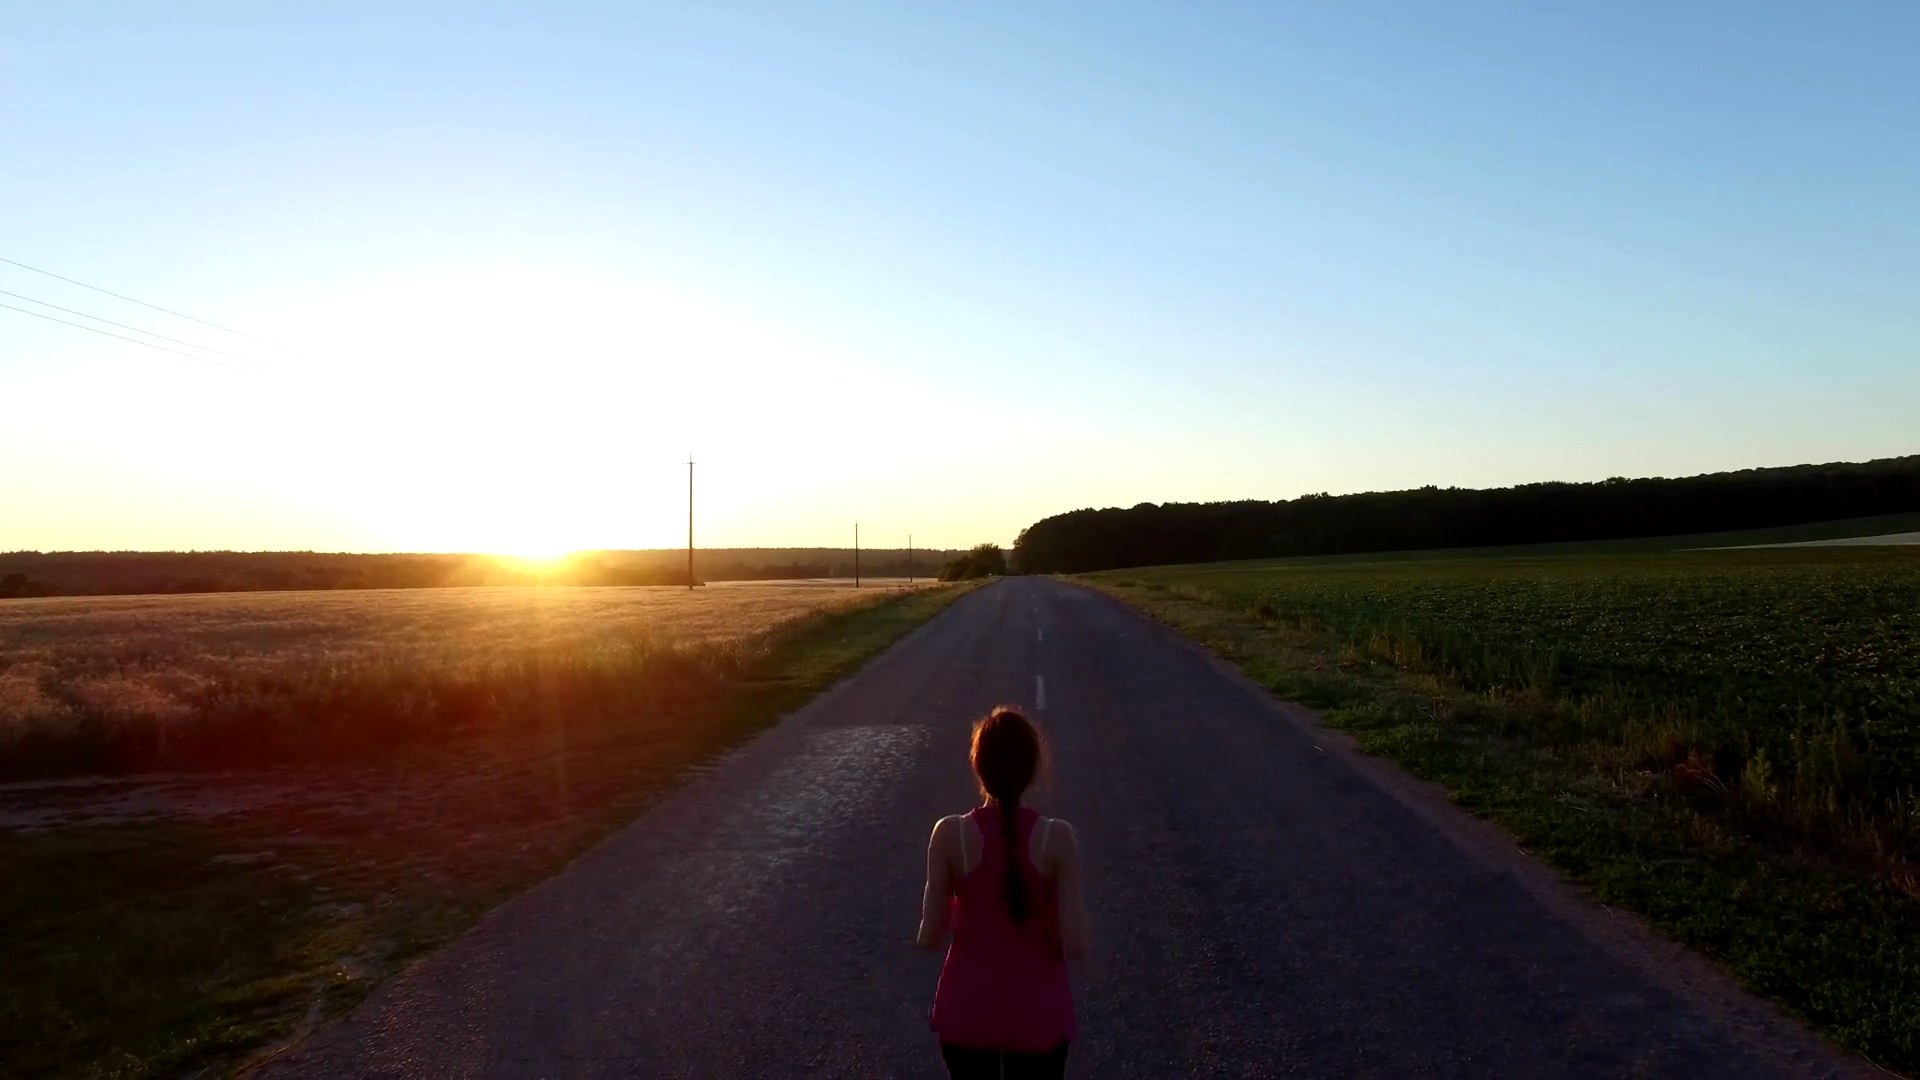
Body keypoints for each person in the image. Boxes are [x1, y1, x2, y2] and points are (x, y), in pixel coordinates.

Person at [917, 706, 1090, 1079]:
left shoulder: (949, 834)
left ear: (978, 766)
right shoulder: (1058, 838)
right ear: (1031, 770)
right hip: (1037, 1014)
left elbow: (930, 936)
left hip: (966, 1010)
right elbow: (1076, 943)